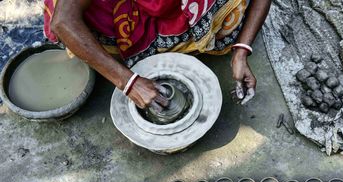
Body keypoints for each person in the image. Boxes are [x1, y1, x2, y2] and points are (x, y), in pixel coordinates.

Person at [44, 0, 271, 110]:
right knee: (80, 34)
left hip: (168, 8)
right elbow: (63, 21)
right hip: (111, 9)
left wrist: (241, 52)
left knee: (229, 17)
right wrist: (129, 83)